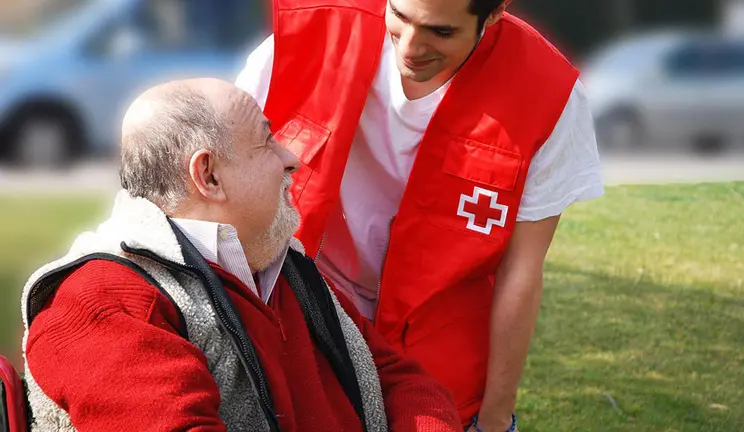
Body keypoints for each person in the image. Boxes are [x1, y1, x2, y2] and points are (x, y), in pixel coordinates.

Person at [235, 0, 605, 430]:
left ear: (494, 12)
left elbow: (521, 271)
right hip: (307, 319)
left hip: (441, 357)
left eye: (440, 32)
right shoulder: (310, 31)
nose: (410, 48)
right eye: (399, 16)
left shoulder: (547, 91)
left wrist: (495, 419)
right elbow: (224, 176)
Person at [20, 78, 462, 432]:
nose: (291, 158)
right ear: (208, 176)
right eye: (266, 141)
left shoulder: (277, 263)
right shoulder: (104, 301)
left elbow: (398, 379)